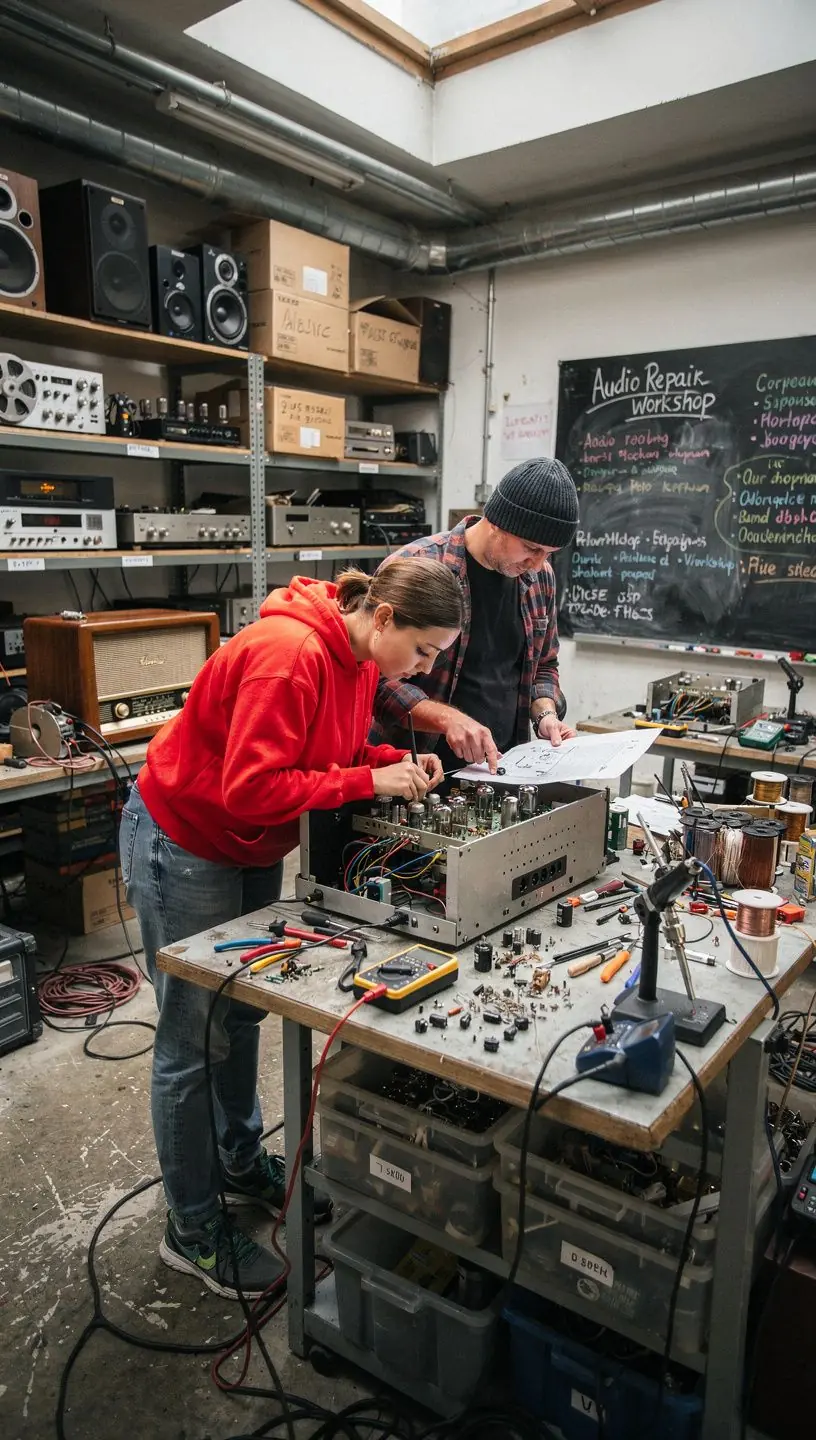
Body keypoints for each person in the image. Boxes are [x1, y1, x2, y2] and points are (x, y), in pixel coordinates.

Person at [119, 559, 463, 1300]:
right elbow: (250, 788)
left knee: (239, 1012)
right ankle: (192, 1227)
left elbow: (326, 755)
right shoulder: (291, 655)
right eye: (426, 651)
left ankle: (240, 1162)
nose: (427, 672)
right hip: (185, 837)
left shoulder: (358, 660)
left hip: (249, 843)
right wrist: (365, 781)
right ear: (383, 619)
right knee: (189, 1040)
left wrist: (392, 760)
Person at [371, 457, 579, 776]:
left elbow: (544, 666)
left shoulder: (541, 579)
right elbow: (373, 678)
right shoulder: (418, 566)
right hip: (416, 766)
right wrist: (448, 719)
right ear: (496, 520)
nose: (537, 564)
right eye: (531, 548)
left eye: (548, 554)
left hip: (500, 769)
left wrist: (545, 715)